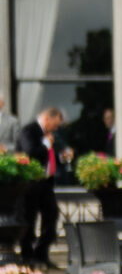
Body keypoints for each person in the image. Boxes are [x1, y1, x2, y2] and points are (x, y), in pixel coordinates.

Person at [18, 104, 65, 263]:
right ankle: (27, 255)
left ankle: (41, 252)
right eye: (55, 124)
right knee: (29, 220)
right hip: (30, 184)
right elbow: (30, 153)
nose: (56, 129)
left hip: (45, 183)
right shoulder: (29, 131)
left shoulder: (48, 135)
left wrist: (60, 158)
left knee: (51, 215)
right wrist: (45, 144)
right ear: (47, 119)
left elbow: (48, 158)